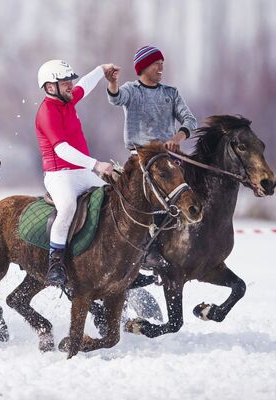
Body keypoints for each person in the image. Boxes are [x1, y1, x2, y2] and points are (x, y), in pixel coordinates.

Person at [106, 45, 197, 269]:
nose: (161, 67)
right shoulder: (131, 90)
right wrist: (112, 82)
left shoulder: (171, 93)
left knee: (188, 190)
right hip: (140, 158)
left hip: (168, 157)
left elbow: (190, 121)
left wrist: (177, 137)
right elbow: (116, 98)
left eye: (162, 64)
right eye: (157, 64)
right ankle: (148, 249)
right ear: (143, 67)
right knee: (150, 193)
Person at [36, 60, 115, 287]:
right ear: (51, 87)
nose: (71, 86)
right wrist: (95, 165)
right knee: (69, 206)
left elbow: (85, 85)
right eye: (65, 82)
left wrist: (102, 69)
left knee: (116, 198)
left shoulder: (67, 98)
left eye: (70, 81)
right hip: (59, 175)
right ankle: (55, 263)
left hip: (81, 171)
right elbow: (61, 149)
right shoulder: (46, 112)